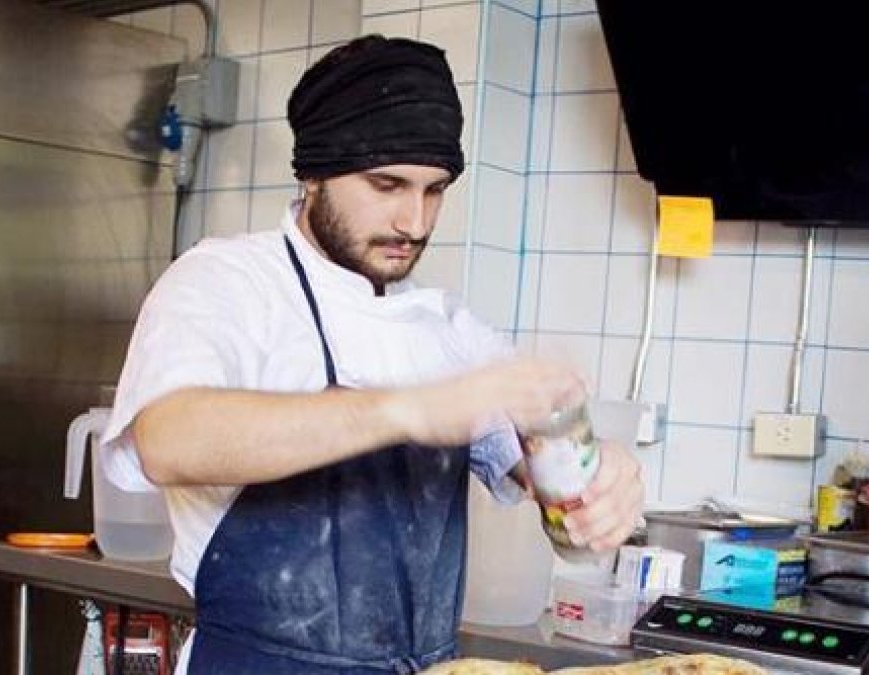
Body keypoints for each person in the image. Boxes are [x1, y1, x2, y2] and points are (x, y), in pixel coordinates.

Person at [102, 34, 644, 675]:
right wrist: (409, 409)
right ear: (314, 173)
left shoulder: (449, 329)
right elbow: (170, 439)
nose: (414, 221)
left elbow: (545, 467)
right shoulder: (226, 281)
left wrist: (601, 474)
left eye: (434, 190)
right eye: (387, 185)